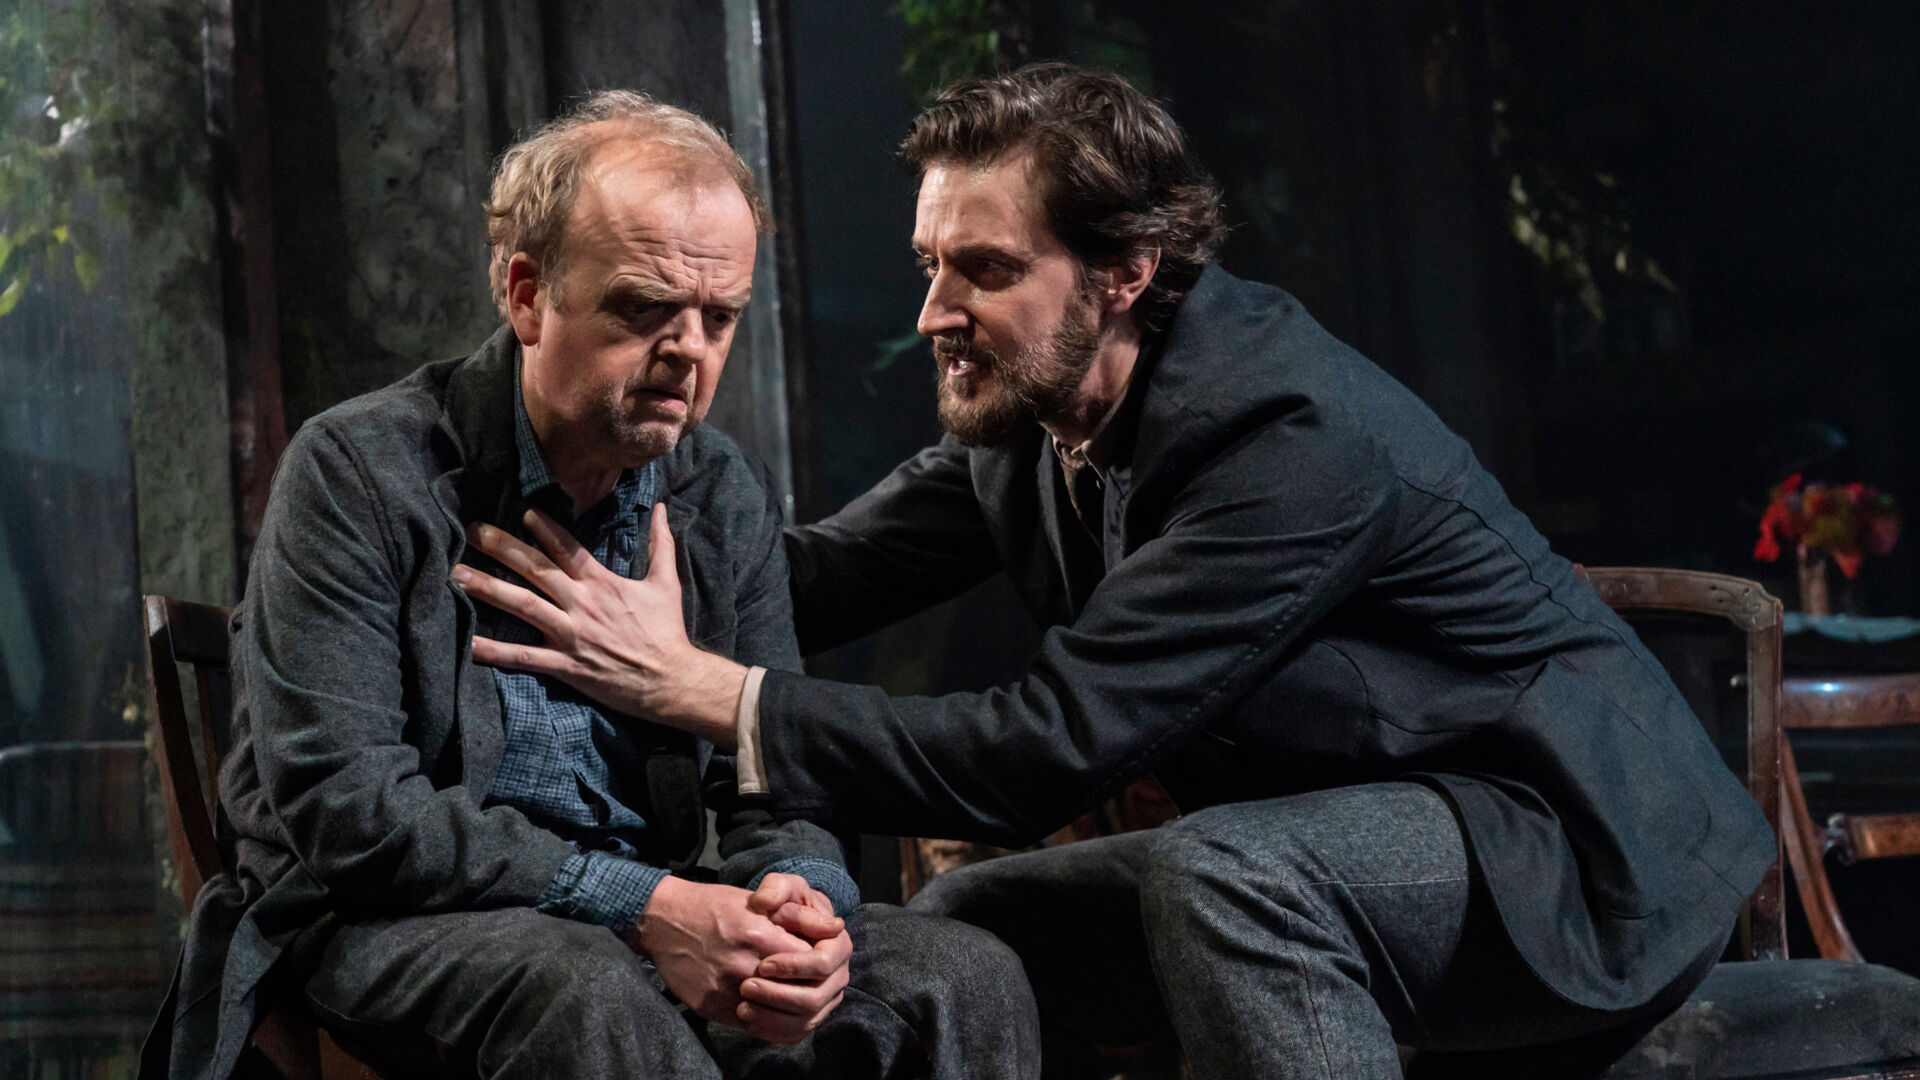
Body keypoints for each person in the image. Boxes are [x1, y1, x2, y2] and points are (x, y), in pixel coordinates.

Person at [458, 66, 1776, 1079]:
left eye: (984, 270)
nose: (934, 313)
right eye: (930, 266)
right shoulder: (1032, 418)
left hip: (1569, 858)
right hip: (1334, 838)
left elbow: (1046, 746)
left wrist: (702, 690)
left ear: (1126, 272)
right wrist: (533, 551)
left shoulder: (1291, 439)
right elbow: (807, 580)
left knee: (1232, 879)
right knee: (973, 923)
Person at [141, 91, 1038, 1080]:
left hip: (644, 908)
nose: (688, 352)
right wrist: (647, 906)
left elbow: (778, 776)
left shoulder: (716, 491)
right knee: (589, 992)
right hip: (389, 914)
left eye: (719, 318)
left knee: (964, 972)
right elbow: (351, 813)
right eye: (645, 308)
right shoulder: (359, 472)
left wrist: (799, 899)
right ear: (527, 295)